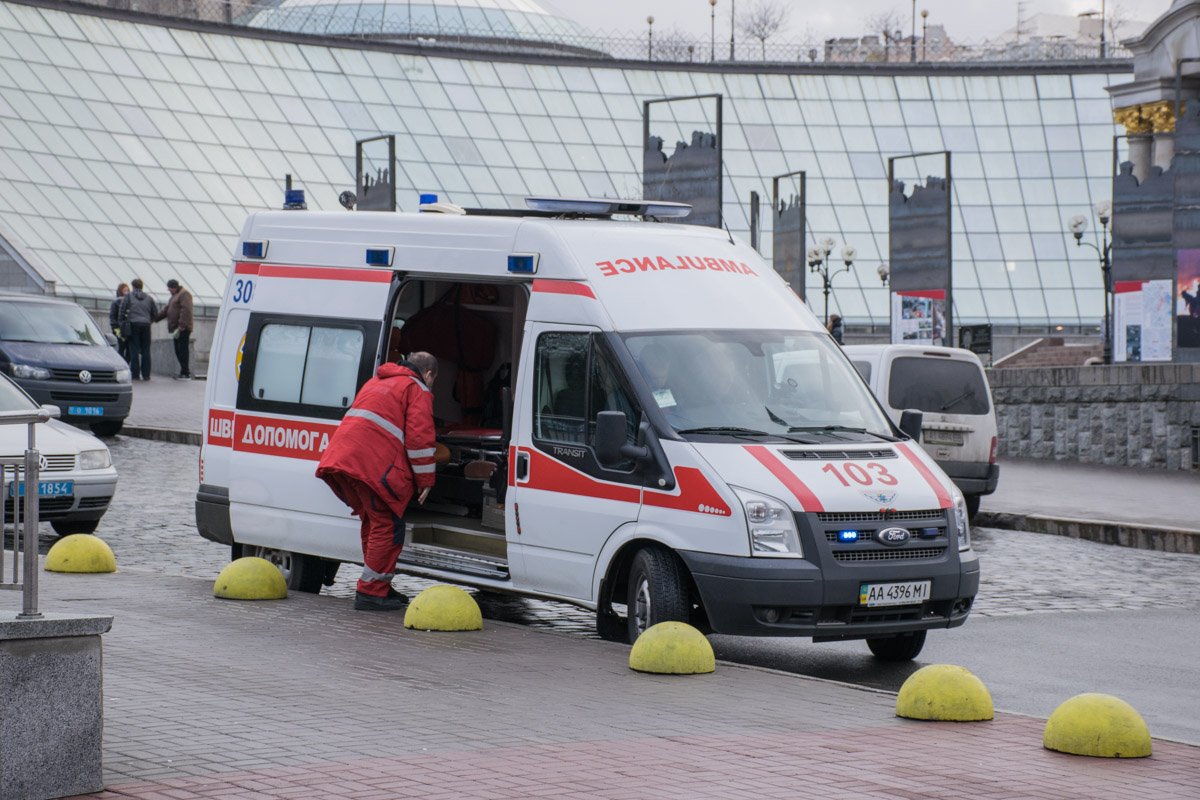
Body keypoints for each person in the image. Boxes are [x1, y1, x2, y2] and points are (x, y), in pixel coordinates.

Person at [316, 352, 439, 611]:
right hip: (370, 466)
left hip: (343, 461)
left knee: (372, 521)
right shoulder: (417, 389)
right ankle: (371, 591)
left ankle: (378, 584)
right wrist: (426, 480)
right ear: (428, 374)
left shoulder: (378, 380)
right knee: (387, 525)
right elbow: (420, 439)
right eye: (433, 380)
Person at [156, 279, 194, 379]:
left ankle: (185, 372)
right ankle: (184, 371)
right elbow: (166, 310)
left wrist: (181, 326)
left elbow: (186, 310)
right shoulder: (174, 296)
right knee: (178, 350)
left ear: (174, 287)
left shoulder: (184, 294)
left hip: (182, 328)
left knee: (182, 350)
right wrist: (155, 318)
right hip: (176, 328)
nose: (169, 290)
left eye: (169, 288)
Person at [120, 278, 158, 380]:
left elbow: (122, 311)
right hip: (146, 325)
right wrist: (149, 321)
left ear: (133, 287)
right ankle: (146, 375)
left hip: (133, 325)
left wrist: (122, 323)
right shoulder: (149, 298)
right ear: (142, 286)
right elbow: (155, 313)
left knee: (134, 350)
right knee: (146, 350)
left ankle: (135, 374)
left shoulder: (128, 297)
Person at [108, 283, 130, 362]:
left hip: (128, 329)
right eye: (124, 291)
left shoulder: (130, 301)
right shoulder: (116, 302)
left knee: (129, 349)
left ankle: (126, 363)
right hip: (118, 329)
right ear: (120, 291)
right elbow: (112, 316)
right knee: (121, 347)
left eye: (127, 290)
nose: (126, 292)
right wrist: (115, 328)